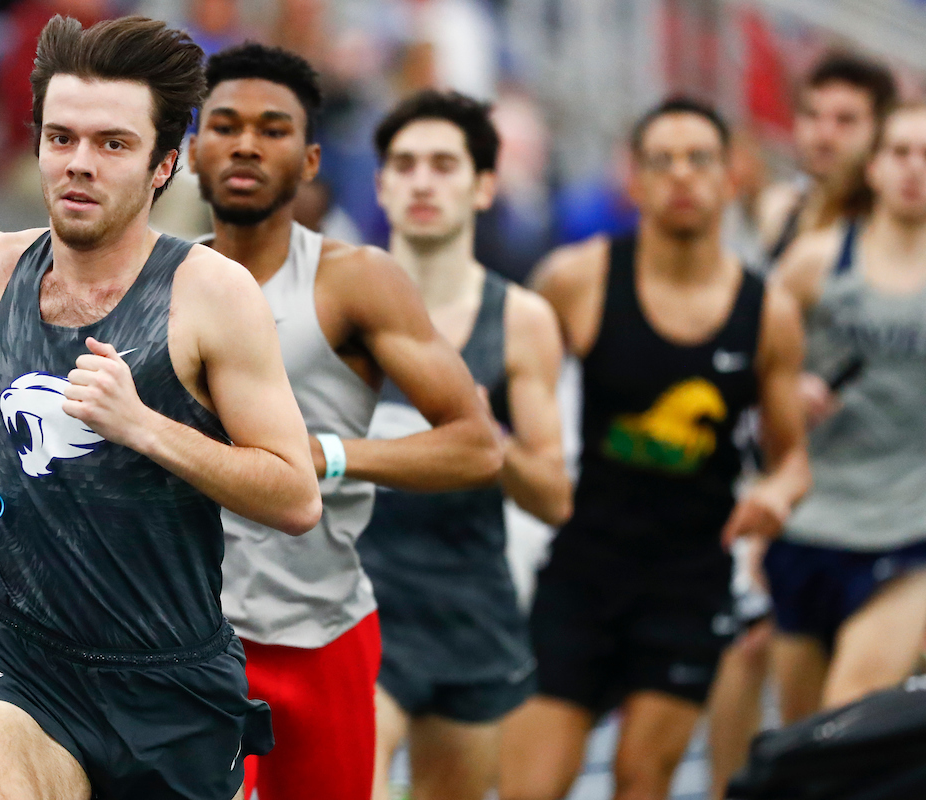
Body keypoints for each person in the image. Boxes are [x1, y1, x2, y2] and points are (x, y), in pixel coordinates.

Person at [0, 16, 323, 800]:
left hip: (172, 684)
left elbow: (295, 495)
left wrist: (144, 427)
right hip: (27, 665)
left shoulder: (209, 296)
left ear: (162, 165)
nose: (78, 164)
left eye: (111, 144)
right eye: (61, 137)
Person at [189, 43, 502, 800]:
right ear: (191, 150)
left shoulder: (355, 280)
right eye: (225, 125)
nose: (246, 144)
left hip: (322, 631)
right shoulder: (157, 280)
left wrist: (325, 456)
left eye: (273, 128)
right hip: (192, 637)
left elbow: (476, 446)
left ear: (311, 159)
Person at [498, 97, 810, 800]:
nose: (681, 176)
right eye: (661, 161)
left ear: (731, 176)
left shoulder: (768, 313)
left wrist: (776, 493)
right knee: (530, 785)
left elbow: (792, 460)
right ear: (633, 181)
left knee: (643, 777)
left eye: (698, 158)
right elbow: (510, 402)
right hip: (583, 568)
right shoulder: (577, 279)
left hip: (688, 581)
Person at [358, 89, 571, 800]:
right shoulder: (329, 307)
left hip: (467, 606)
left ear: (484, 186)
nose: (423, 181)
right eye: (406, 164)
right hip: (352, 598)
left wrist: (489, 440)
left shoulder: (522, 320)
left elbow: (555, 498)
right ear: (381, 183)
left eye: (445, 165)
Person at [767, 103, 926, 725]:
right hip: (813, 518)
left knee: (848, 728)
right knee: (804, 745)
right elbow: (746, 362)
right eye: (901, 153)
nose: (915, 168)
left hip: (909, 526)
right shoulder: (818, 261)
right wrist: (787, 388)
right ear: (875, 167)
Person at [758, 53, 896, 265]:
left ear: (881, 130)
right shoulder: (778, 209)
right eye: (812, 115)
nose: (824, 135)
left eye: (845, 120)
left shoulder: (894, 231)